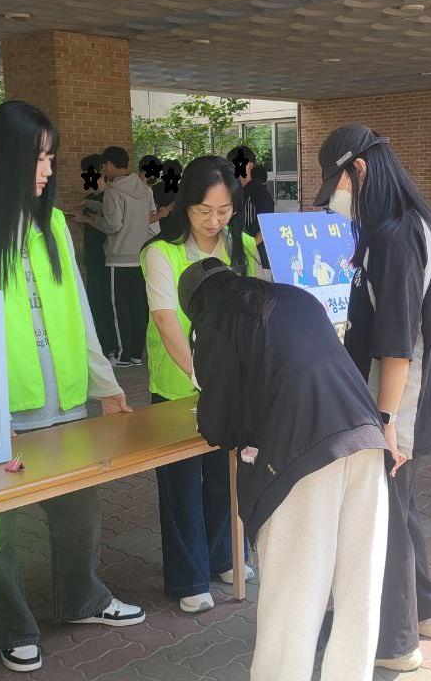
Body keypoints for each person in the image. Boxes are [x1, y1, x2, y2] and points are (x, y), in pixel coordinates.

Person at [0, 100, 144, 673]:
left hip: (66, 396)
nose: (48, 170)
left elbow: (82, 313)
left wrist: (107, 384)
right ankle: (11, 625)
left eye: (51, 157)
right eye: (38, 157)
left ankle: (83, 599)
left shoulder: (52, 225)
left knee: (79, 509)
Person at [183, 258, 391, 681]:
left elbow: (218, 425)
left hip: (303, 459)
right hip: (366, 439)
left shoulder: (215, 322)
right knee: (359, 590)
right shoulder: (295, 298)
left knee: (294, 595)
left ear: (195, 305)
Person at [314, 123, 431, 673]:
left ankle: (397, 643)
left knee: (386, 519)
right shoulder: (411, 223)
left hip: (398, 393)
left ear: (360, 170)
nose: (336, 196)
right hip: (410, 390)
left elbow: (397, 341)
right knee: (401, 506)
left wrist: (387, 420)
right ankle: (426, 610)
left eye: (337, 182)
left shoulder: (396, 234)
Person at [141, 155, 260, 614]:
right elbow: (167, 322)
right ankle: (188, 575)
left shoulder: (241, 246)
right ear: (183, 205)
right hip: (178, 387)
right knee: (181, 485)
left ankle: (225, 556)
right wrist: (200, 376)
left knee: (223, 478)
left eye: (224, 211)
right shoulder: (161, 253)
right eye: (203, 212)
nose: (214, 222)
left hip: (231, 386)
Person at [89, 146, 154, 368]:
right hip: (141, 256)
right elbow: (147, 218)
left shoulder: (113, 191)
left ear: (108, 164)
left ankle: (123, 355)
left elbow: (112, 225)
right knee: (138, 306)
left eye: (103, 166)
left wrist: (90, 220)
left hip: (118, 258)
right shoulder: (145, 190)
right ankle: (136, 353)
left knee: (120, 309)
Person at [68, 154, 120, 361]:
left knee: (106, 300)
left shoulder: (111, 196)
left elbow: (111, 226)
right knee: (95, 299)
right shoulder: (91, 198)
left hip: (106, 255)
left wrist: (87, 219)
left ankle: (112, 345)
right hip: (92, 254)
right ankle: (101, 343)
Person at [227, 146, 274, 268]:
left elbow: (268, 224)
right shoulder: (235, 191)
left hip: (258, 258)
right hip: (237, 254)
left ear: (250, 166)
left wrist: (250, 246)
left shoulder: (259, 190)